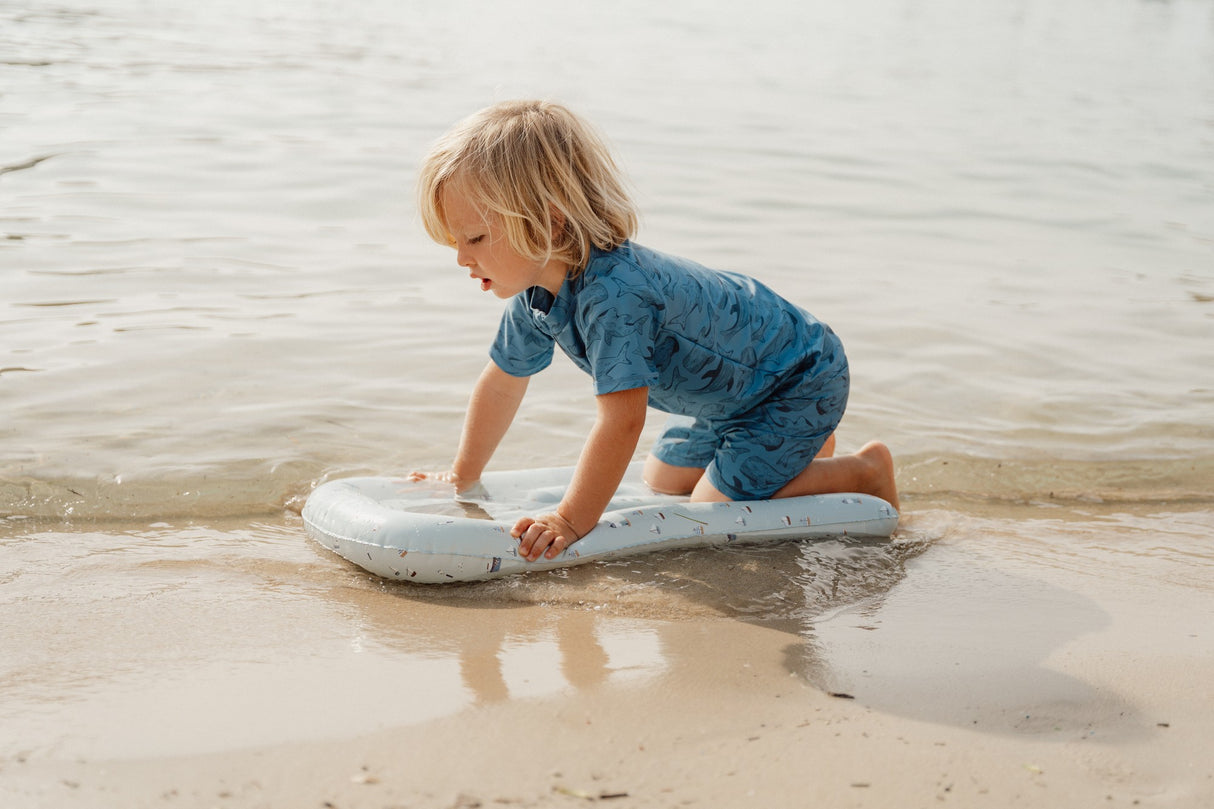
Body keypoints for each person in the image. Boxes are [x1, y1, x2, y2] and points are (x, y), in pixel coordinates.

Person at [409, 100, 898, 564]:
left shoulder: (616, 298)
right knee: (662, 480)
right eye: (455, 241)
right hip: (732, 397)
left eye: (474, 238)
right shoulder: (538, 293)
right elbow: (501, 383)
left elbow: (622, 422)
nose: (461, 258)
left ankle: (865, 470)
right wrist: (463, 476)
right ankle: (796, 451)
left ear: (550, 224)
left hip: (797, 378)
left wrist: (568, 519)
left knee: (714, 508)